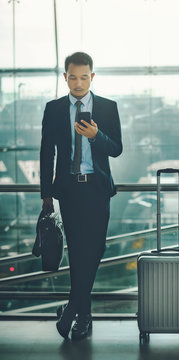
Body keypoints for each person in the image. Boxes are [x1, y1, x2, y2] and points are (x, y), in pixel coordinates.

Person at [40, 52, 122, 340]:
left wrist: (96, 135)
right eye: (72, 77)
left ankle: (72, 309)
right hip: (70, 190)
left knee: (95, 250)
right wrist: (45, 193)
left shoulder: (108, 108)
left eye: (84, 77)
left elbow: (117, 149)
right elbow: (46, 152)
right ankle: (83, 318)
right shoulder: (53, 109)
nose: (78, 83)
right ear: (65, 77)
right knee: (77, 253)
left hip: (98, 189)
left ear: (92, 77)